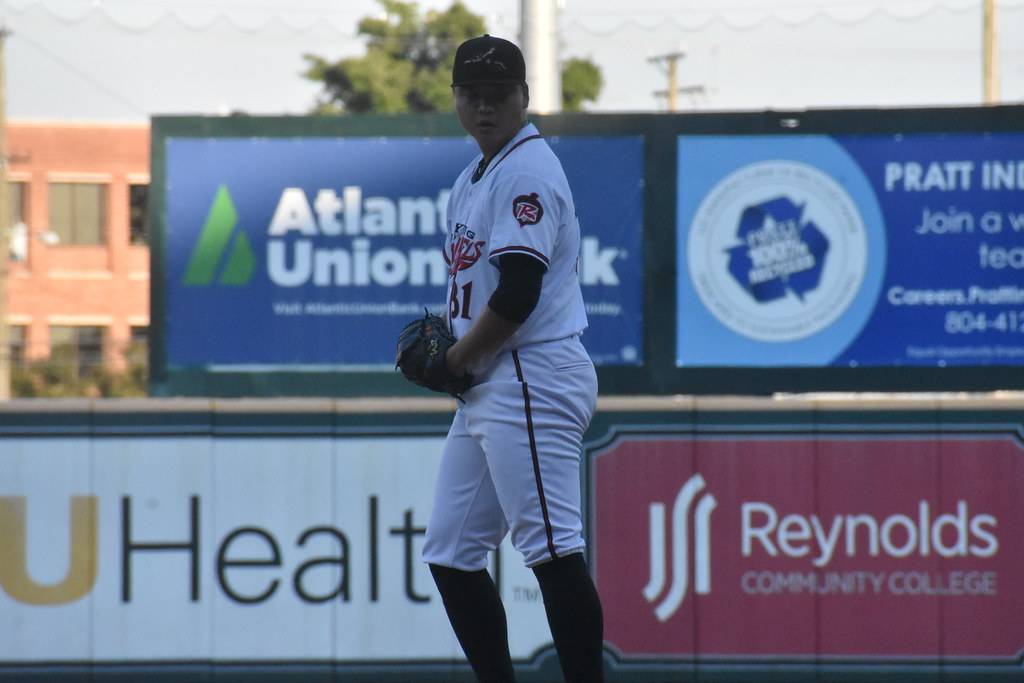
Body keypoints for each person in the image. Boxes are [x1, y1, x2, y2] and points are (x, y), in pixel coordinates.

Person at [421, 35, 605, 683]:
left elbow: (520, 292)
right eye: (472, 92)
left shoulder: (525, 169)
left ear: (525, 97)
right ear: (456, 99)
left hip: (529, 372)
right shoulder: (477, 172)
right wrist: (455, 344)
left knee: (553, 551)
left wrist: (456, 360)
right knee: (450, 551)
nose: (484, 105)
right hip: (494, 377)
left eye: (498, 94)